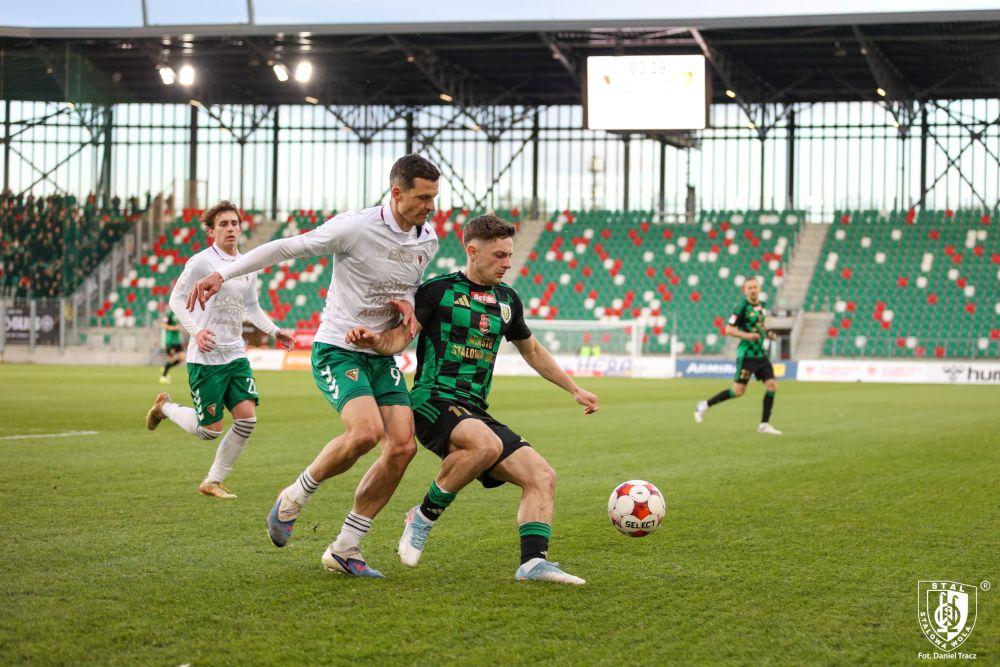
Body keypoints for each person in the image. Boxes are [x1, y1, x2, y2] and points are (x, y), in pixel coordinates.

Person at [188, 154, 440, 578]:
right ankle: (294, 497)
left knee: (403, 447)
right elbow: (286, 247)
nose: (431, 206)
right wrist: (224, 274)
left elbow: (409, 286)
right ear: (397, 193)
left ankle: (346, 547)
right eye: (423, 197)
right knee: (366, 432)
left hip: (380, 353)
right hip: (339, 347)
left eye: (434, 197)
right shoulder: (354, 227)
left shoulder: (427, 239)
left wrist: (408, 304)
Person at [347, 214, 599, 585]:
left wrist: (574, 388)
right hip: (432, 400)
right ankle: (422, 518)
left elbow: (532, 350)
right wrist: (376, 341)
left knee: (542, 476)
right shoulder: (437, 291)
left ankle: (533, 563)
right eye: (499, 255)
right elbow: (401, 338)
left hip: (474, 411)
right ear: (472, 251)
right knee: (485, 443)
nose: (507, 263)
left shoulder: (507, 300)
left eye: (510, 255)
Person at [145, 201, 295, 498]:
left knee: (247, 420)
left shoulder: (248, 265)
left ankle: (212, 481)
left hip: (235, 354)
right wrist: (196, 331)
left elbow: (252, 307)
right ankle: (164, 408)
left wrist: (274, 330)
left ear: (241, 227)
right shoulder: (201, 262)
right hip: (206, 356)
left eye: (234, 223)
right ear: (211, 231)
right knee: (209, 431)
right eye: (223, 224)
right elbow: (176, 300)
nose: (230, 228)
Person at [694, 277, 782, 435]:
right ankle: (704, 405)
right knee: (738, 391)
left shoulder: (762, 306)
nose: (753, 290)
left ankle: (764, 424)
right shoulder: (741, 308)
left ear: (759, 289)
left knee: (772, 385)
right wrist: (747, 336)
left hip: (761, 354)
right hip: (747, 355)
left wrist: (768, 333)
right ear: (745, 291)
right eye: (749, 288)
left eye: (755, 287)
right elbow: (728, 329)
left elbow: (760, 326)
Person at [160, 308, 185, 384]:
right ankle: (163, 377)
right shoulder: (169, 315)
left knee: (182, 358)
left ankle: (166, 367)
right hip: (170, 341)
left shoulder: (178, 314)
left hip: (177, 341)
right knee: (171, 359)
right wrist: (174, 328)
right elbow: (163, 325)